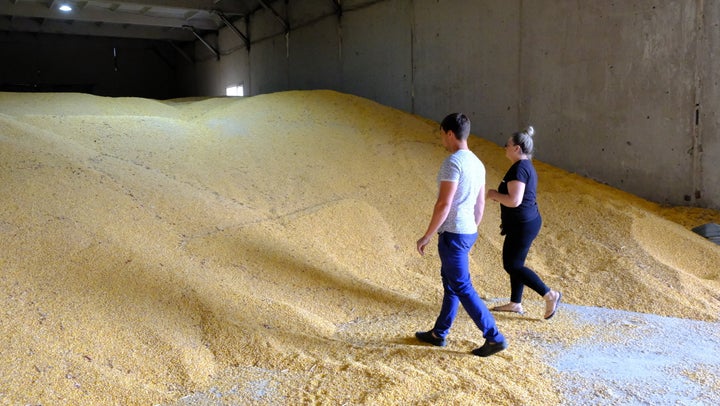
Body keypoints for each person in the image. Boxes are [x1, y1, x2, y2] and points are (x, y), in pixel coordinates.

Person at [415, 113, 507, 357]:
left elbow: (443, 204)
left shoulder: (452, 162)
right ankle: (438, 334)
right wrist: (473, 229)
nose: (442, 140)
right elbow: (480, 204)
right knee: (451, 285)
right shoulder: (477, 163)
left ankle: (494, 337)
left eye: (442, 135)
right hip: (467, 231)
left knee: (462, 287)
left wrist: (427, 235)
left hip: (453, 234)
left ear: (449, 133)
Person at [487, 126, 562, 319]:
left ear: (517, 148)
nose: (505, 147)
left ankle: (549, 294)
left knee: (512, 265)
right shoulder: (525, 166)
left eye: (507, 145)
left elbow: (514, 200)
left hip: (523, 224)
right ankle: (515, 303)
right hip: (525, 222)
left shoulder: (520, 169)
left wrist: (493, 195)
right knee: (516, 263)